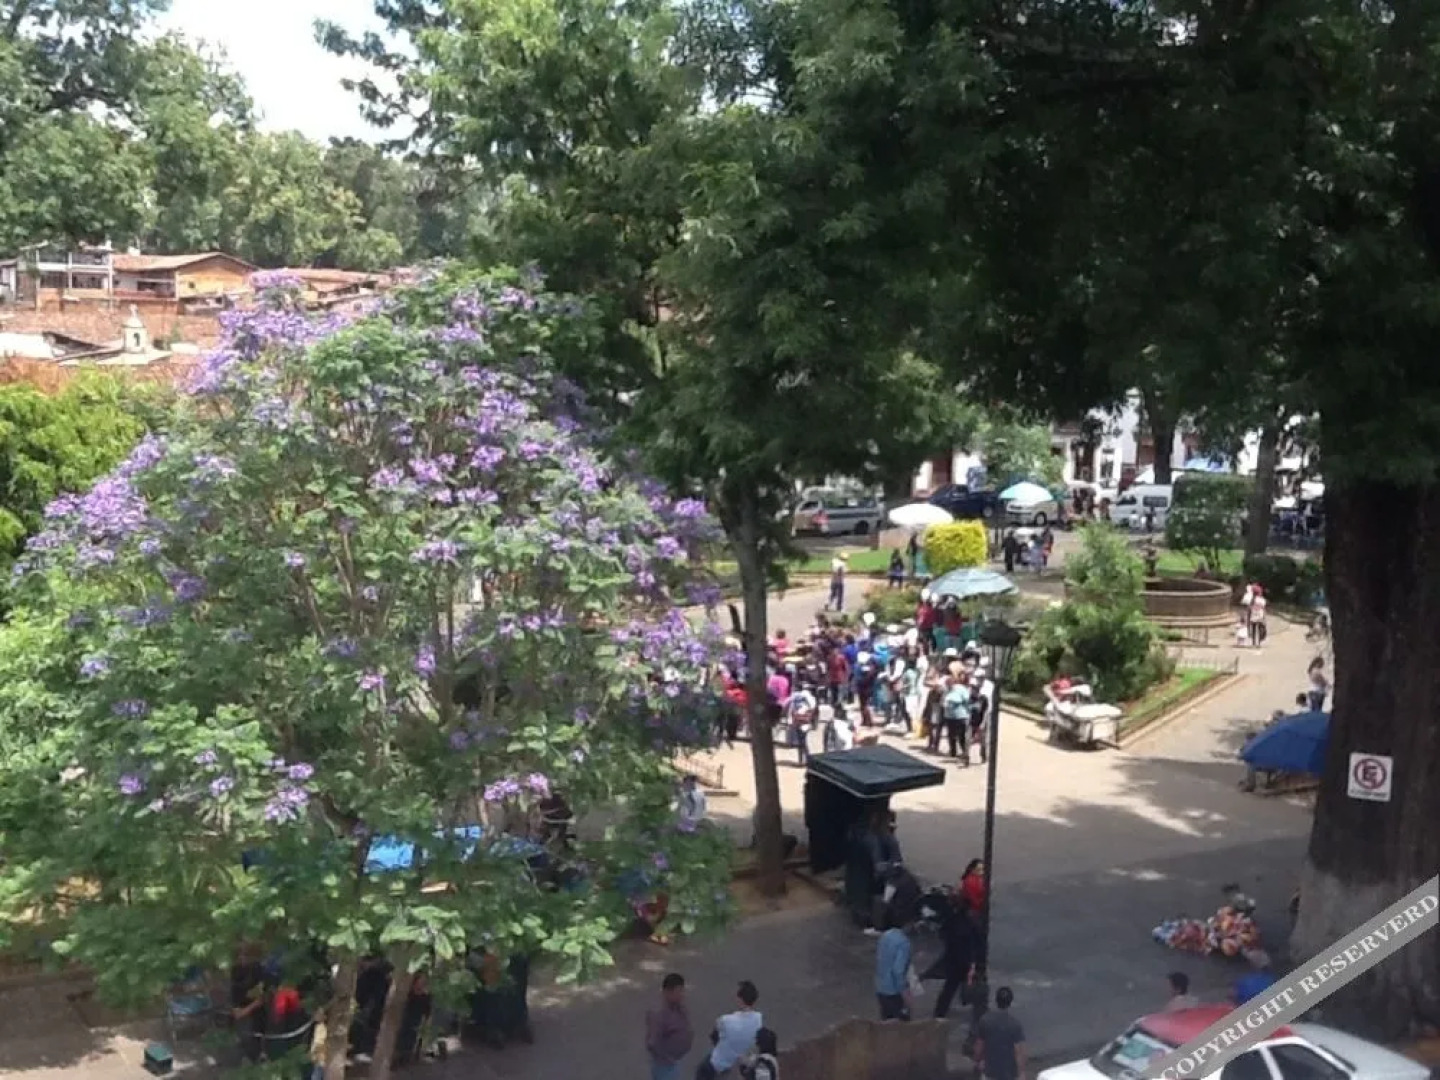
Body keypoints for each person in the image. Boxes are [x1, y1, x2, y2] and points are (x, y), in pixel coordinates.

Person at [920, 889, 979, 1019]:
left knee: (949, 988)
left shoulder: (952, 920)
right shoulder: (968, 921)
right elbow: (973, 943)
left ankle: (939, 1014)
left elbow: (944, 934)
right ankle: (970, 1008)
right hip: (962, 960)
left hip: (954, 959)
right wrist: (972, 965)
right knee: (958, 986)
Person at [699, 981, 762, 1080]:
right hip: (744, 1064)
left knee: (702, 1070)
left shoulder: (725, 1020)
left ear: (740, 999)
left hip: (720, 1064)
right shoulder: (758, 1019)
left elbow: (714, 1036)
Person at [647, 973, 694, 1080]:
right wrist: (667, 1057)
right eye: (678, 992)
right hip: (665, 1066)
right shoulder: (659, 1015)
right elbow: (652, 1043)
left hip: (675, 1061)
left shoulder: (679, 1007)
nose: (682, 995)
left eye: (682, 990)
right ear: (667, 992)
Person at [974, 987, 1026, 1080]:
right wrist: (1021, 1073)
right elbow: (1018, 1052)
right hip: (1009, 1074)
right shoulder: (1014, 1024)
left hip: (990, 1072)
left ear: (996, 1000)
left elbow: (979, 1045)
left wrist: (978, 1061)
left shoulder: (985, 1020)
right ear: (1010, 1002)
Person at [874, 913, 913, 1021]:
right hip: (894, 991)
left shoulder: (885, 936)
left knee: (886, 1022)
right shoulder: (903, 943)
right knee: (901, 1024)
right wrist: (904, 992)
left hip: (881, 987)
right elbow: (898, 970)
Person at [942, 674, 972, 763]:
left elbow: (967, 700)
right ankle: (953, 751)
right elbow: (943, 701)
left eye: (950, 685)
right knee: (951, 735)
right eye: (947, 685)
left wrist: (968, 713)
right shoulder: (946, 691)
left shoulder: (961, 689)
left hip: (961, 716)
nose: (949, 687)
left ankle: (964, 753)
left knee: (961, 736)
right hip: (949, 716)